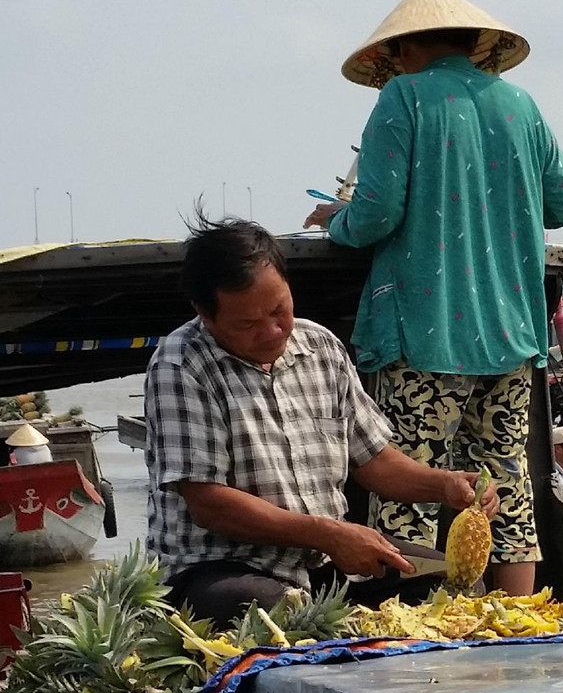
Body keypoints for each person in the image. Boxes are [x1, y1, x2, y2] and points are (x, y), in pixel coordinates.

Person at [304, 0, 563, 596]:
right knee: (505, 483)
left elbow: (374, 213)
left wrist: (337, 220)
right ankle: (517, 616)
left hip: (426, 335)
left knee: (413, 484)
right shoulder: (521, 106)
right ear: (474, 46)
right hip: (513, 332)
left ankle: (410, 620)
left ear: (404, 50)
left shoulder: (402, 97)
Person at [144, 214, 497, 626]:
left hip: (322, 563)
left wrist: (446, 485)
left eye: (279, 309)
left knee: (455, 587)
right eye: (248, 324)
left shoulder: (321, 347)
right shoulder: (181, 363)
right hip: (219, 569)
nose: (273, 330)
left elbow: (376, 461)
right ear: (206, 315)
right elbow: (210, 505)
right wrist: (329, 533)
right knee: (273, 610)